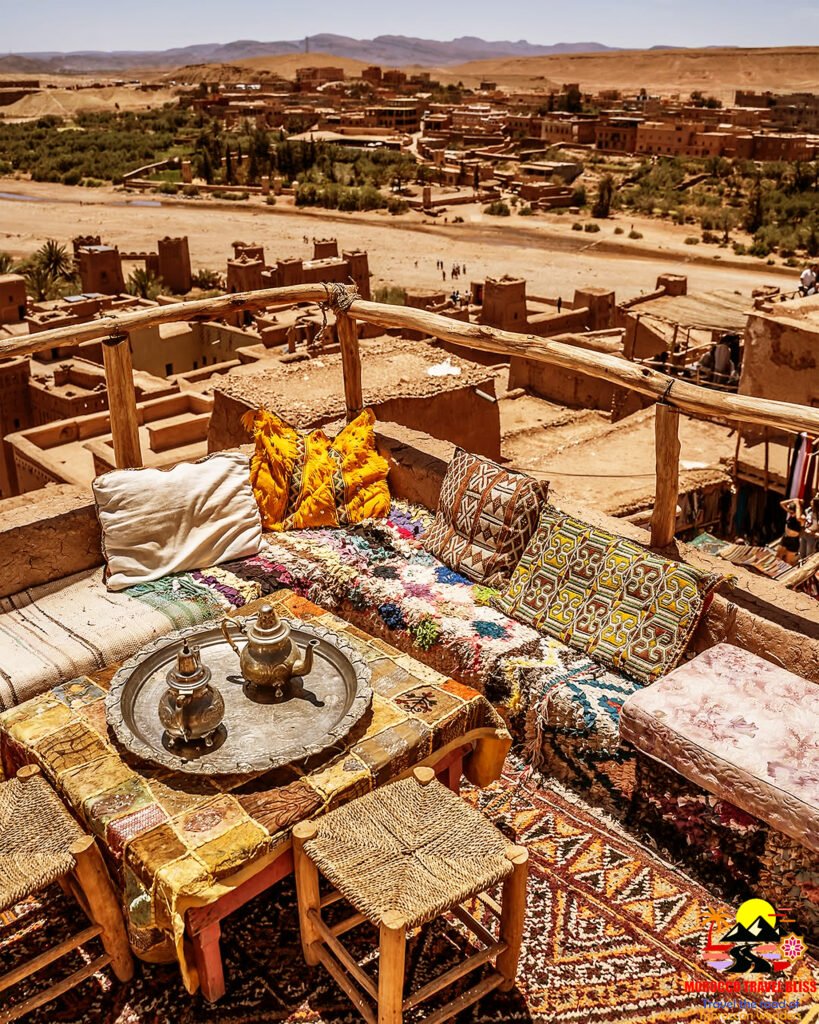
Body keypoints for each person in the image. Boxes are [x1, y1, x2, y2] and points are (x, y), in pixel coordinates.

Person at [776, 498, 804, 565]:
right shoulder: (791, 514)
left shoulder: (802, 517)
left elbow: (798, 517)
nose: (790, 514)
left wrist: (797, 504)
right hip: (785, 538)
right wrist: (794, 500)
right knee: (778, 557)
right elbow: (781, 503)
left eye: (792, 512)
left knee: (788, 562)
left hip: (793, 541)